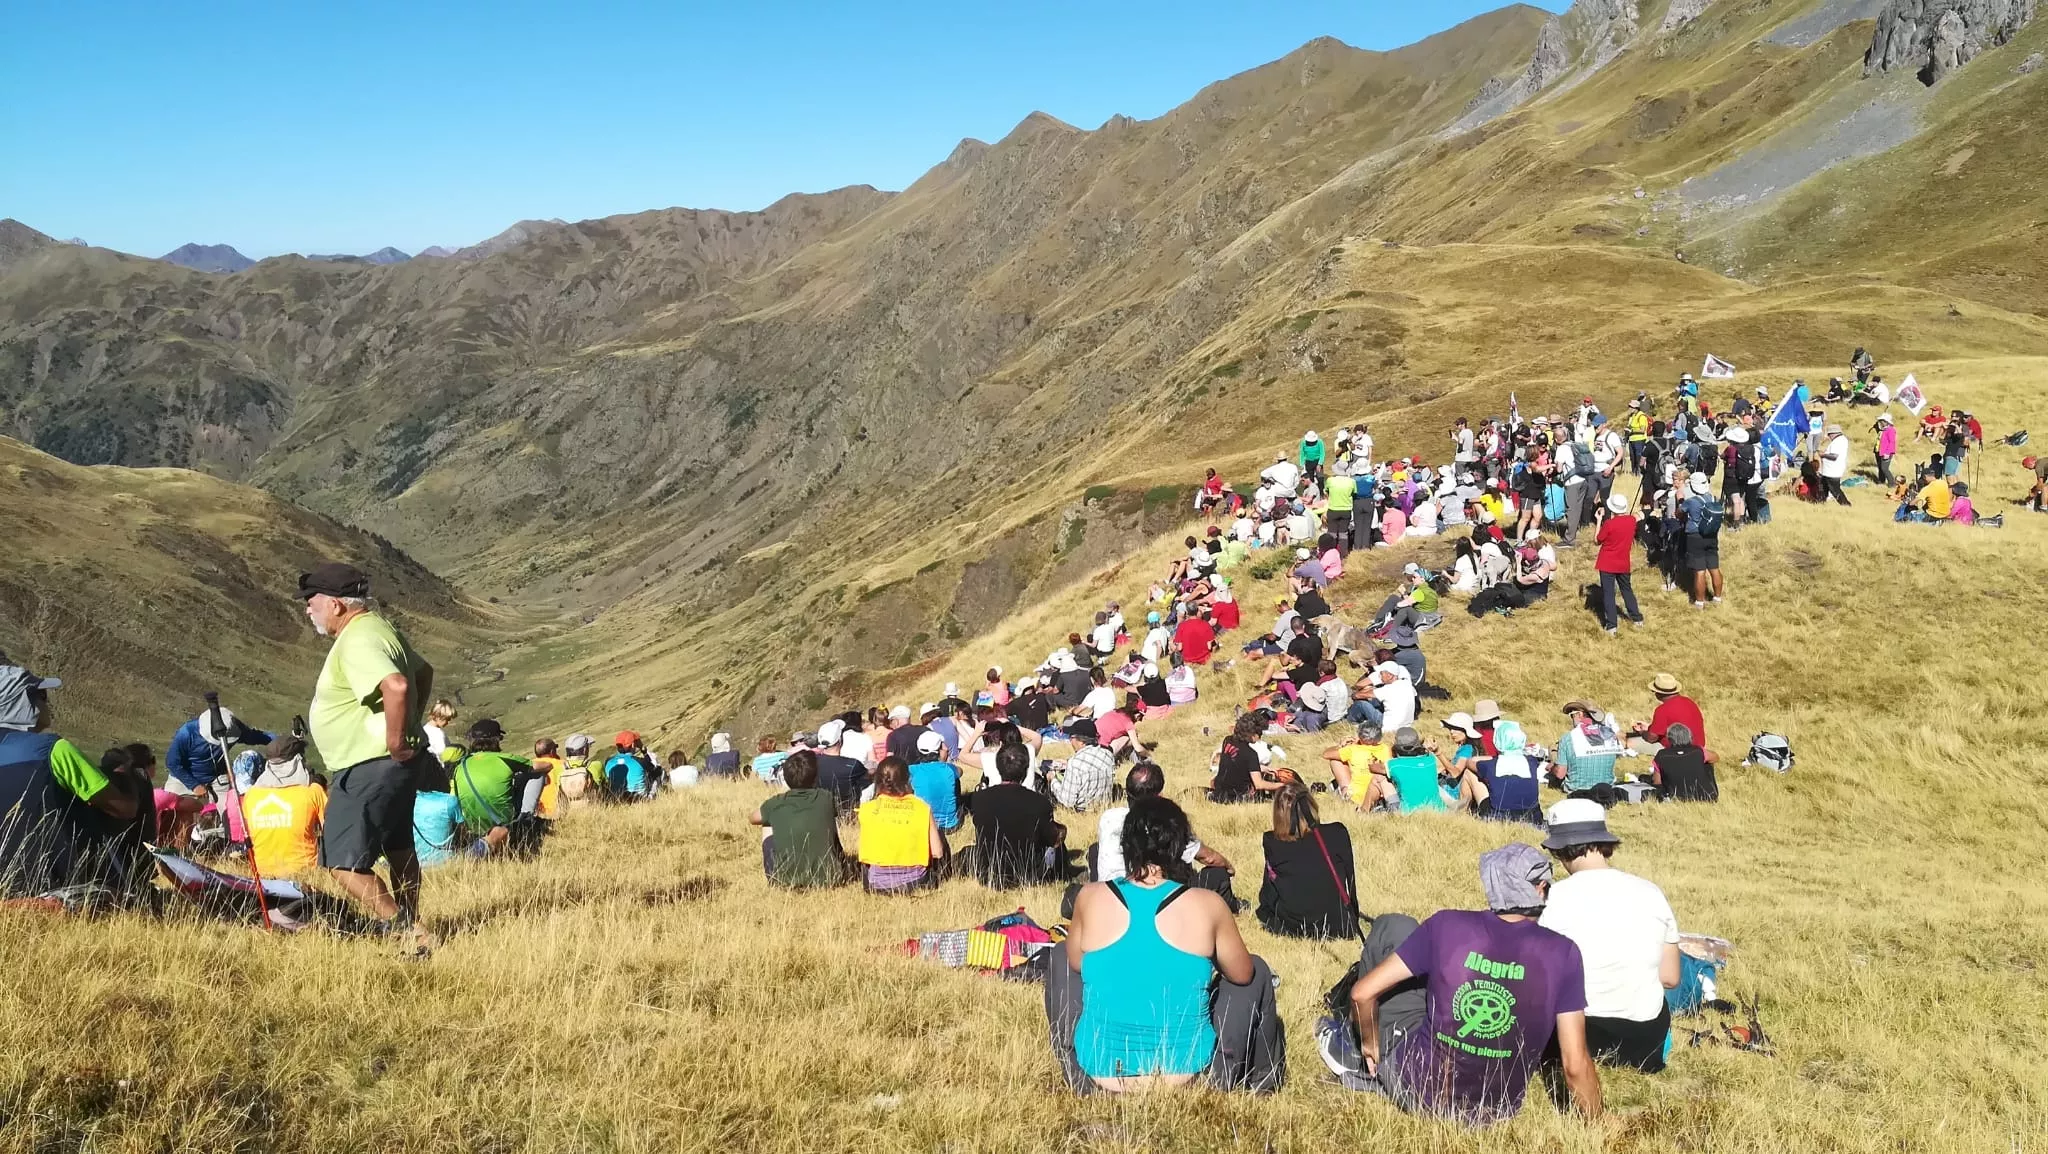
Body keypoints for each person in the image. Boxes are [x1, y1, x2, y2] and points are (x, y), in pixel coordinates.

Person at [1335, 842, 1601, 1123]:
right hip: (1496, 1110)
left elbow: (1362, 994)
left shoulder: (1445, 925)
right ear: (1540, 889)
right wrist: (1598, 1121)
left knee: (1393, 925)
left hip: (1415, 1090)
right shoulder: (1564, 954)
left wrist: (1371, 1045)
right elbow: (1575, 1065)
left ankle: (1354, 1051)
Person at [1048, 797, 1285, 1093]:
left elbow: (1075, 962)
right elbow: (1242, 974)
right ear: (1180, 848)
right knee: (1257, 969)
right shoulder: (1208, 903)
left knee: (1061, 952)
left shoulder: (1090, 896)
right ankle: (1262, 1084)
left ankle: (1069, 1059)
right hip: (1187, 1074)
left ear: (1126, 845)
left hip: (1099, 1071)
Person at [299, 561, 433, 945]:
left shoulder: (357, 639)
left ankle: (407, 930)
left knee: (341, 862)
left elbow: (397, 685)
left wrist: (396, 739)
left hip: (368, 764)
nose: (308, 610)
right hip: (390, 764)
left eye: (311, 602)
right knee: (398, 847)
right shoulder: (380, 628)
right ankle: (411, 922)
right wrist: (410, 725)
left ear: (336, 604)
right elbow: (423, 672)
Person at [1538, 800, 1681, 1074]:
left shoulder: (1552, 899)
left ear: (1558, 848)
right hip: (1645, 1043)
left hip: (1574, 1037)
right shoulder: (1651, 892)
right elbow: (1670, 977)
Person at [0, 662, 151, 896]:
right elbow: (125, 809)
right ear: (22, 703)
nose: (47, 703)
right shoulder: (53, 749)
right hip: (61, 882)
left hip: (8, 884)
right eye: (41, 696)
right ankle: (137, 884)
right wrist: (129, 777)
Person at [1090, 762, 1237, 910]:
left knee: (1095, 849)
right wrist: (1229, 867)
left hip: (1108, 896)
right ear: (1158, 796)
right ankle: (1230, 908)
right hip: (1149, 902)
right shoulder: (1162, 823)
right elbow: (1209, 858)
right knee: (1218, 874)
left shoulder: (1108, 817)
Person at [1256, 782, 1359, 939]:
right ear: (1311, 805)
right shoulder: (1338, 832)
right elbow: (1350, 882)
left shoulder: (1272, 841)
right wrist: (1353, 917)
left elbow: (1268, 894)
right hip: (1338, 924)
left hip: (1293, 927)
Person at [967, 742, 1064, 887]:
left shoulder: (978, 799)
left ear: (998, 767)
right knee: (1059, 841)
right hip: (1029, 875)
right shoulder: (1040, 802)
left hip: (989, 874)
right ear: (1026, 769)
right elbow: (1051, 840)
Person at [749, 750, 849, 887]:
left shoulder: (775, 803)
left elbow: (753, 818)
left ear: (785, 778)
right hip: (831, 878)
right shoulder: (826, 797)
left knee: (767, 824)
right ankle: (834, 862)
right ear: (815, 777)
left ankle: (776, 875)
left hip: (785, 881)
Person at [856, 756, 946, 893]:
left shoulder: (867, 809)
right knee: (938, 834)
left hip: (875, 884)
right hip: (916, 882)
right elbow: (937, 852)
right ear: (907, 779)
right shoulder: (922, 808)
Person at [452, 719, 540, 857]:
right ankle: (525, 819)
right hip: (503, 820)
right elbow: (542, 766)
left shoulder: (460, 766)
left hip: (473, 825)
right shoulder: (506, 758)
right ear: (497, 739)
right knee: (537, 774)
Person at [242, 734, 327, 877]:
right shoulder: (313, 791)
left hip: (262, 877)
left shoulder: (251, 795)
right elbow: (332, 832)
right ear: (298, 760)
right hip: (306, 874)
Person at [165, 707, 274, 801]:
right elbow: (172, 763)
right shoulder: (187, 733)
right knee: (168, 808)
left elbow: (254, 736)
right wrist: (194, 785)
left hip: (217, 777)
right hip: (183, 778)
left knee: (231, 810)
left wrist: (279, 741)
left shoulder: (233, 726)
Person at [1360, 726, 1454, 813]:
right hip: (1438, 810)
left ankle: (1363, 811)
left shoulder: (1394, 765)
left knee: (1378, 778)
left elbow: (1373, 768)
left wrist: (1377, 759)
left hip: (1407, 812)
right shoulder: (1430, 760)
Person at [1594, 493, 1645, 635]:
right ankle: (1637, 618)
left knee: (1608, 593)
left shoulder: (1609, 524)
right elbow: (1640, 515)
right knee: (1627, 589)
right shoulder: (1631, 521)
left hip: (1607, 563)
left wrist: (1599, 520)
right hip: (1623, 562)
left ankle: (1611, 625)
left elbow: (1597, 540)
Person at [1210, 713, 1284, 802]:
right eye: (1259, 733)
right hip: (1236, 797)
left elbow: (1237, 763)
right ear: (1251, 734)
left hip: (1219, 792)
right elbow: (1259, 784)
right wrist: (1281, 785)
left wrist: (1261, 768)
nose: (1260, 736)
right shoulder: (1251, 754)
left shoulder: (1228, 740)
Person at [1479, 721, 1542, 825]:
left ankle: (1464, 811)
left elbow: (1471, 763)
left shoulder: (1490, 764)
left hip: (1499, 816)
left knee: (1471, 774)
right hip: (1532, 816)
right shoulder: (1531, 761)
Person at [1555, 701, 1621, 796]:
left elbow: (1560, 774)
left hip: (1576, 791)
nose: (1572, 719)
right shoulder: (1609, 734)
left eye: (1572, 715)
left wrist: (1553, 768)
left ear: (1579, 714)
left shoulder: (1568, 738)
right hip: (1606, 790)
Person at [1633, 672, 1708, 753]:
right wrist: (1649, 727)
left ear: (1659, 693)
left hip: (1677, 750)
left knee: (1629, 742)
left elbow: (1651, 738)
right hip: (1699, 747)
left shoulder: (1662, 710)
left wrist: (1642, 732)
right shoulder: (1689, 702)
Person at [1679, 474, 1724, 607]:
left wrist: (1680, 501)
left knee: (1699, 570)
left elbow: (1679, 512)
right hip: (1711, 536)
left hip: (1695, 537)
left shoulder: (1691, 501)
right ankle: (1717, 598)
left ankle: (1699, 601)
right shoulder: (1713, 498)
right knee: (1714, 568)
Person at [908, 730, 963, 834]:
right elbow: (960, 772)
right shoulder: (949, 769)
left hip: (923, 826)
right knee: (955, 780)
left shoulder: (912, 770)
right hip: (950, 827)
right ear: (938, 750)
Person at [1049, 730, 1117, 813]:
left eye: (1071, 738)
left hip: (1082, 812)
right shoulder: (1108, 754)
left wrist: (1053, 781)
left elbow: (1067, 802)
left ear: (1081, 741)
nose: (1070, 741)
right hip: (1104, 807)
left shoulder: (1075, 763)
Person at [1652, 722, 1718, 802]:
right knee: (1707, 763)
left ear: (1669, 739)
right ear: (1690, 737)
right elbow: (1715, 758)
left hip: (1675, 797)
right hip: (1705, 796)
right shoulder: (1698, 751)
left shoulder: (1661, 755)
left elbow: (1657, 782)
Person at [605, 732, 658, 799]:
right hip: (639, 799)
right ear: (633, 745)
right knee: (658, 774)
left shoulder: (608, 762)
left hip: (616, 799)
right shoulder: (639, 761)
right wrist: (644, 751)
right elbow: (653, 768)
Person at [1817, 424, 1852, 505]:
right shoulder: (1842, 440)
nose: (1829, 437)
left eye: (1829, 435)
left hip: (1832, 471)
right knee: (1823, 487)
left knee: (1835, 490)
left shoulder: (1837, 442)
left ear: (1833, 434)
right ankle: (1820, 503)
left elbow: (1834, 456)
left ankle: (1845, 505)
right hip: (1829, 471)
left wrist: (1823, 455)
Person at [1873, 413, 1897, 485]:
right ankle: (1881, 481)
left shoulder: (1891, 430)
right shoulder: (1882, 429)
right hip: (1878, 451)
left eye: (1881, 421)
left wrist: (1887, 453)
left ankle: (1892, 483)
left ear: (1886, 422)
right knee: (1880, 467)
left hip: (1886, 452)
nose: (1880, 422)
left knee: (1884, 468)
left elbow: (1892, 442)